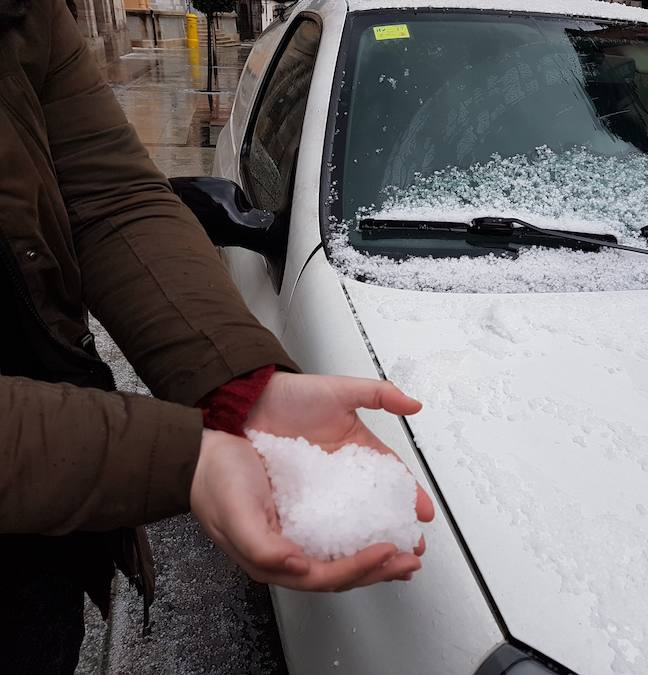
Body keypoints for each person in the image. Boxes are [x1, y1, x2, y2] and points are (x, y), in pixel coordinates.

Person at [0, 0, 434, 671]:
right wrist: (183, 458)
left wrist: (243, 387)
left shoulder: (23, 13)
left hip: (41, 546)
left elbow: (111, 197)